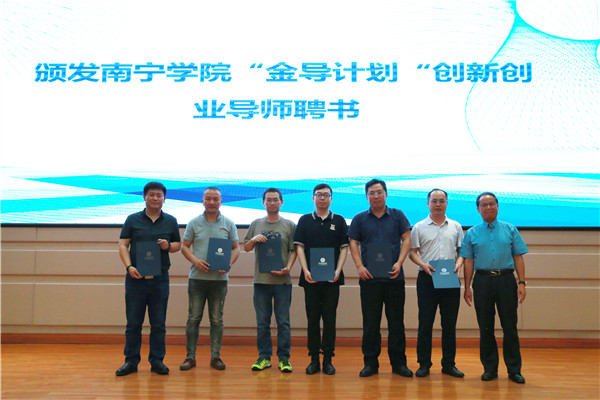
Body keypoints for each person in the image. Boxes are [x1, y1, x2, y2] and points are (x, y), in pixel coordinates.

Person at [460, 192, 528, 384]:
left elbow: (518, 257)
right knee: (485, 327)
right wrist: (467, 287)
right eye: (484, 205)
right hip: (482, 281)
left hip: (506, 280)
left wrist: (522, 282)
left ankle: (514, 370)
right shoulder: (471, 233)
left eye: (491, 204)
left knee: (510, 326)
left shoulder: (510, 229)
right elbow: (468, 261)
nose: (488, 207)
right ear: (478, 209)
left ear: (498, 206)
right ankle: (490, 368)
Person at [348, 179, 413, 378]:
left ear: (386, 194)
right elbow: (353, 242)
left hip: (394, 278)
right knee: (370, 324)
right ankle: (370, 363)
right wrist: (359, 266)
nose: (376, 196)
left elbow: (407, 238)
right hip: (369, 279)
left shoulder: (398, 215)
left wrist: (400, 262)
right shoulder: (359, 218)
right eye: (372, 193)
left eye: (379, 192)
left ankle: (399, 364)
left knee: (396, 323)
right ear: (366, 196)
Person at [116, 181, 181, 376]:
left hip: (160, 279)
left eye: (159, 195)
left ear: (164, 198)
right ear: (144, 197)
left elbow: (177, 245)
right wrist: (129, 267)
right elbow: (123, 245)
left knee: (158, 324)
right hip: (135, 279)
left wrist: (168, 246)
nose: (155, 198)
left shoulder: (170, 220)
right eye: (151, 194)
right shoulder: (132, 219)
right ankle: (131, 361)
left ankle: (157, 361)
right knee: (133, 323)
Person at [179, 187, 240, 371]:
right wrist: (195, 261)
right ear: (203, 201)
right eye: (208, 199)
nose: (212, 202)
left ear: (221, 201)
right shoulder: (194, 222)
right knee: (193, 319)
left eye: (215, 199)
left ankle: (215, 357)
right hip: (197, 279)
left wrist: (228, 263)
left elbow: (236, 248)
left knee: (216, 320)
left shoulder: (228, 223)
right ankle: (190, 357)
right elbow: (184, 247)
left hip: (219, 280)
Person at [409, 189, 465, 378]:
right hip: (427, 278)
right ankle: (424, 364)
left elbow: (462, 252)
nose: (438, 204)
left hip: (450, 277)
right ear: (428, 203)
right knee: (425, 323)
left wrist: (459, 264)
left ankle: (449, 364)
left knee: (449, 324)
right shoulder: (419, 227)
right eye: (434, 201)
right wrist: (423, 264)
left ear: (447, 203)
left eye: (442, 201)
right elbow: (412, 252)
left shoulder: (456, 226)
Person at [294, 183, 349, 375]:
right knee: (312, 319)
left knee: (330, 319)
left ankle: (328, 360)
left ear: (331, 198)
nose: (322, 198)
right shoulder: (304, 220)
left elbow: (344, 248)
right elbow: (299, 247)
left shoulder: (339, 221)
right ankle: (314, 359)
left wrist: (338, 270)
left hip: (332, 279)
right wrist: (305, 270)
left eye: (326, 195)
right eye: (319, 194)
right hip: (310, 279)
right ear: (313, 198)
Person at [244, 188, 297, 373]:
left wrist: (288, 268)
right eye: (268, 200)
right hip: (261, 281)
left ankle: (284, 358)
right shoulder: (256, 223)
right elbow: (247, 247)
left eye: (275, 200)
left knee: (283, 322)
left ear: (281, 202)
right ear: (263, 202)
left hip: (283, 281)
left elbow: (294, 250)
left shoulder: (289, 225)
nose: (272, 203)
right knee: (262, 322)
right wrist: (253, 239)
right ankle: (264, 357)